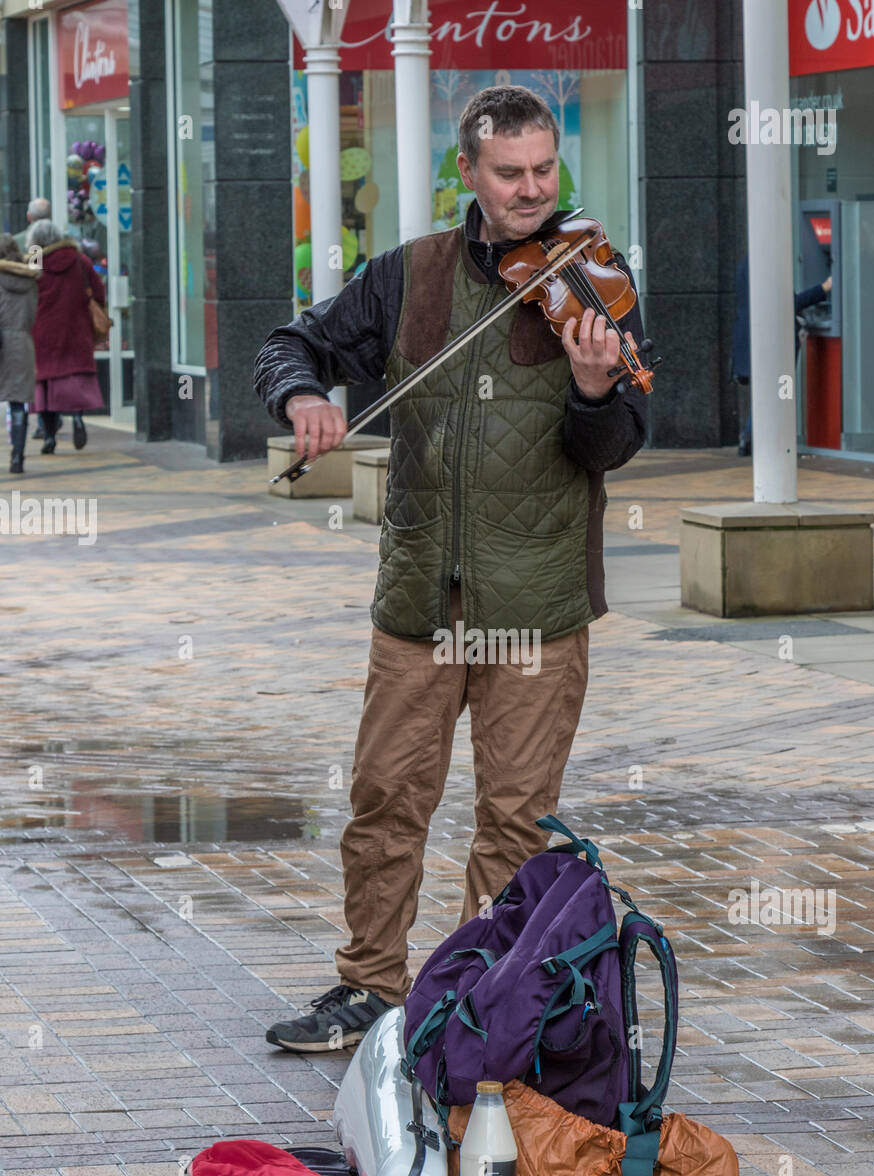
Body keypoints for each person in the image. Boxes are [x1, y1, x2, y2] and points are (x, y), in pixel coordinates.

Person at [254, 85, 649, 1052]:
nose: (530, 190)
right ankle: (368, 989)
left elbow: (621, 439)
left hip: (538, 606)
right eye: (509, 172)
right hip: (421, 600)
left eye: (544, 171)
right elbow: (289, 344)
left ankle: (480, 1002)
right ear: (466, 172)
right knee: (386, 796)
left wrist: (596, 388)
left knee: (515, 823)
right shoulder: (408, 276)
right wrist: (302, 394)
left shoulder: (594, 279)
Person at [731, 256, 832, 456]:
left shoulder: (747, 262)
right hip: (775, 343)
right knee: (782, 392)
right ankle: (775, 443)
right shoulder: (767, 261)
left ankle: (750, 437)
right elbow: (788, 303)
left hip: (754, 339)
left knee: (766, 392)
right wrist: (825, 287)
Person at [26, 220, 106, 453]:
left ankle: (49, 436)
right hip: (75, 328)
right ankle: (78, 419)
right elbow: (98, 291)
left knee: (46, 385)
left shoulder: (35, 259)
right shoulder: (78, 259)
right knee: (75, 378)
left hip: (42, 331)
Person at [0, 234, 42, 473]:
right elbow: (37, 256)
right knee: (18, 403)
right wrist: (34, 241)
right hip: (23, 341)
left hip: (2, 343)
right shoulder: (31, 278)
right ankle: (18, 456)